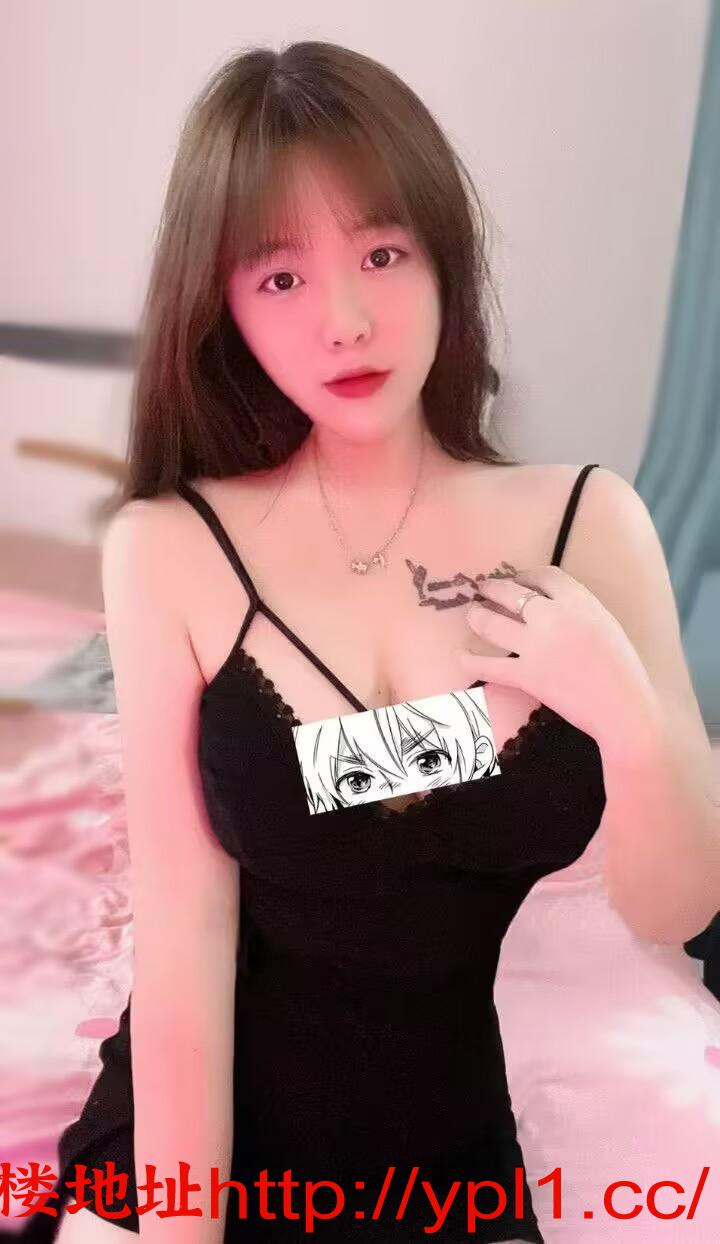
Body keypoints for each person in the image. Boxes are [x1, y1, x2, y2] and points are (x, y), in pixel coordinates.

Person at [32, 37, 666, 1244]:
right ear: (222, 307)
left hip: (446, 1165)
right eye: (280, 278)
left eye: (381, 253)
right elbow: (185, 941)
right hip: (187, 1150)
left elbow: (668, 893)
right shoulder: (173, 548)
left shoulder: (586, 526)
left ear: (443, 255)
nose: (346, 319)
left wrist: (620, 713)